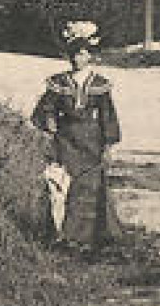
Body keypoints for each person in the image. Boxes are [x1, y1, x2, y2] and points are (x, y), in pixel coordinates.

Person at [30, 21, 124, 244]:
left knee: (90, 186)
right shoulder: (59, 82)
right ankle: (64, 234)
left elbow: (107, 115)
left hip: (91, 140)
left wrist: (109, 143)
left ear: (90, 56)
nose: (77, 59)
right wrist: (50, 121)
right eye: (74, 54)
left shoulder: (99, 84)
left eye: (82, 54)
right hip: (66, 140)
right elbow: (46, 107)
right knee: (65, 185)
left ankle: (88, 236)